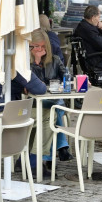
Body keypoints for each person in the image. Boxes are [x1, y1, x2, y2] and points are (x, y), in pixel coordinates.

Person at [29, 29, 72, 163]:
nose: (40, 50)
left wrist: (75, 81)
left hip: (55, 99)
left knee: (55, 108)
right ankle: (61, 147)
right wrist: (36, 62)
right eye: (36, 46)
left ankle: (48, 157)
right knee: (54, 110)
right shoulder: (26, 63)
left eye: (43, 46)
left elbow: (66, 77)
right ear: (30, 46)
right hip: (35, 103)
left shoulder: (55, 60)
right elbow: (33, 84)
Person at [73, 5, 102, 73]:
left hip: (92, 59)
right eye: (98, 17)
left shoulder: (83, 26)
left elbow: (98, 42)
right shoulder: (89, 30)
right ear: (93, 18)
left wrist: (101, 29)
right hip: (96, 61)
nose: (99, 20)